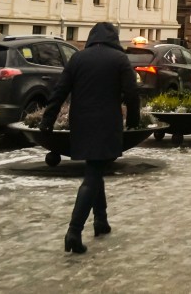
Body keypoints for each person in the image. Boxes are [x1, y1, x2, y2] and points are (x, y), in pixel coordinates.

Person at [40, 22, 139, 255]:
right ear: (113, 37)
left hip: (81, 122)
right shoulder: (119, 59)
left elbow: (59, 91)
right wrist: (134, 120)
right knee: (94, 173)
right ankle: (73, 231)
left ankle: (101, 221)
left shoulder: (78, 59)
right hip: (106, 123)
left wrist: (48, 119)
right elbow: (132, 94)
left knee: (96, 166)